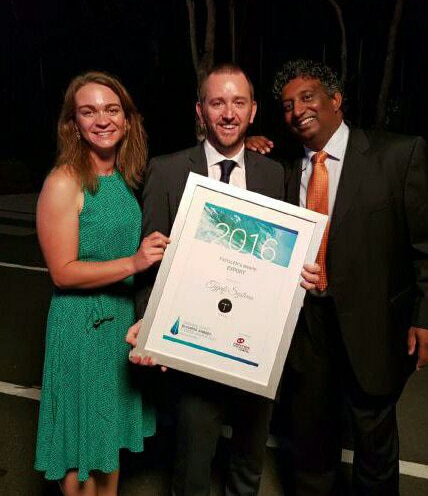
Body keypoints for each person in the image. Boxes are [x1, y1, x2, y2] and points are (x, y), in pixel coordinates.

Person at [126, 63, 319, 496]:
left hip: (255, 348)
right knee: (193, 466)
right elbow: (149, 263)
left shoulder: (275, 174)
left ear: (253, 112)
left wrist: (302, 274)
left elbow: (285, 257)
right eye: (217, 103)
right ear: (200, 111)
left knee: (248, 466)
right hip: (195, 347)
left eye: (238, 103)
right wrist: (148, 326)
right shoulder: (168, 171)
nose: (228, 113)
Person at [249, 59, 428, 495]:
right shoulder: (283, 169)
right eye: (288, 105)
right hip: (309, 331)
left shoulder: (398, 155)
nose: (297, 111)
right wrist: (244, 148)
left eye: (307, 97)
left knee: (374, 452)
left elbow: (425, 247)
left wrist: (425, 317)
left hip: (375, 329)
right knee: (311, 447)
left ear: (335, 99)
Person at [34, 71, 169, 495]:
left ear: (128, 120)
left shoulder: (125, 177)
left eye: (112, 110)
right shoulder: (64, 182)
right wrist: (133, 261)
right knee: (80, 457)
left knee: (107, 450)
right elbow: (63, 271)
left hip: (118, 329)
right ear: (73, 124)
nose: (102, 119)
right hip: (80, 329)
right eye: (88, 111)